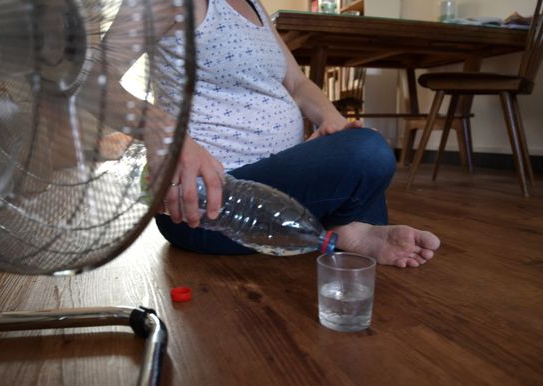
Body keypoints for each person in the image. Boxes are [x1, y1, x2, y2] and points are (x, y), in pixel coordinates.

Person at [149, 0, 440, 267]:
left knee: (360, 150)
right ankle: (347, 227)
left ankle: (345, 230)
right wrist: (172, 138)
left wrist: (333, 123)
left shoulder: (254, 6)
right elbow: (102, 78)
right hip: (207, 203)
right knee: (368, 153)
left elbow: (298, 83)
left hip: (275, 183)